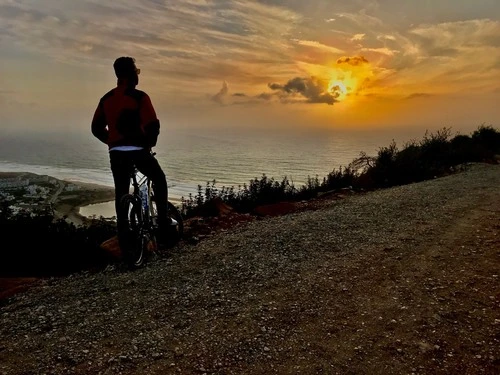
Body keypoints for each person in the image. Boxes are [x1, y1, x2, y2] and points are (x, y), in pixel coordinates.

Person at [91, 56, 174, 248]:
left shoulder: (106, 99)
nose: (138, 76)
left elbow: (96, 128)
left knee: (121, 193)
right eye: (136, 71)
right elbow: (152, 125)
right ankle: (163, 227)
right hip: (138, 150)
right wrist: (148, 144)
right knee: (159, 180)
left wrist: (112, 141)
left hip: (117, 153)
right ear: (131, 74)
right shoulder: (140, 97)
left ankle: (124, 239)